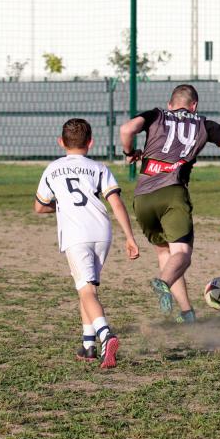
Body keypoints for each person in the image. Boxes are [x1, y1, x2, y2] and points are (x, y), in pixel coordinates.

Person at [120, 84, 220, 322]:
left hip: (142, 197)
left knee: (165, 252)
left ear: (170, 104)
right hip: (173, 193)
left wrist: (129, 152)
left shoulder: (156, 114)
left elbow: (126, 128)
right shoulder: (204, 124)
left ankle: (186, 312)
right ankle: (163, 283)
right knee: (182, 253)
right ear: (194, 106)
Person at [35, 118, 140, 368]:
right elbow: (116, 203)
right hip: (102, 232)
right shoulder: (99, 168)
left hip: (76, 234)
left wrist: (61, 205)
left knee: (86, 290)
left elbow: (39, 206)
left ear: (61, 142)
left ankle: (106, 335)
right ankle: (88, 345)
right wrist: (130, 237)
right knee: (88, 287)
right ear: (90, 142)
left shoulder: (53, 169)